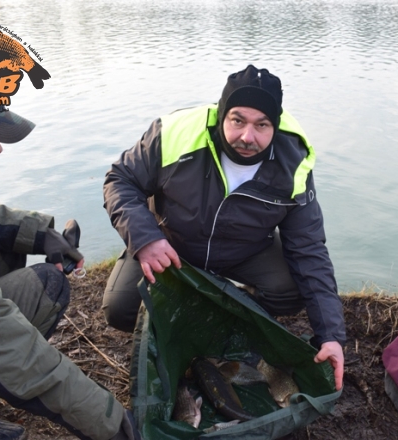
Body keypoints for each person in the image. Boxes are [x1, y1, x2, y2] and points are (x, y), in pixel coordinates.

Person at [0, 55, 139, 440]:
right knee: (47, 285)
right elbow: (17, 353)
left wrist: (43, 234)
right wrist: (118, 426)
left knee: (1, 246)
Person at [103, 64, 346, 390]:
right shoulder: (175, 132)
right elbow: (120, 181)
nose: (248, 136)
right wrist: (145, 239)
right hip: (169, 244)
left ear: (275, 125)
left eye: (262, 125)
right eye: (238, 121)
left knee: (291, 291)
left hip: (243, 251)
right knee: (120, 309)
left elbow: (309, 248)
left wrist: (331, 335)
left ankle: (224, 318)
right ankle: (194, 315)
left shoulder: (294, 160)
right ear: (221, 114)